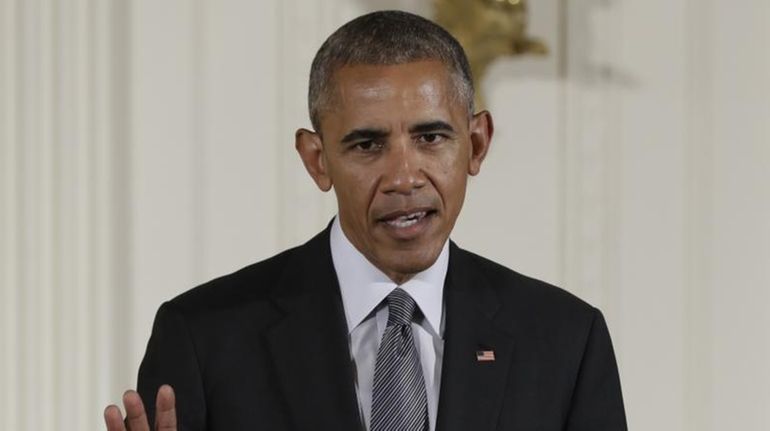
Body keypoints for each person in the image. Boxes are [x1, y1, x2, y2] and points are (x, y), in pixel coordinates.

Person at [104, 10, 627, 431]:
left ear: (476, 143)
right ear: (317, 160)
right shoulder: (205, 338)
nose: (404, 176)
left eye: (431, 137)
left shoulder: (565, 341)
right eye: (367, 144)